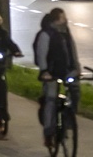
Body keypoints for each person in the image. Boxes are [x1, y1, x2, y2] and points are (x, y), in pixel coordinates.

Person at [34, 8, 81, 149]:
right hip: (51, 73)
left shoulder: (66, 32)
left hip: (67, 71)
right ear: (56, 19)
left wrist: (76, 69)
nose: (65, 19)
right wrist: (44, 71)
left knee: (75, 91)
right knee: (51, 99)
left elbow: (72, 51)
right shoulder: (46, 34)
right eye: (62, 17)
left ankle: (67, 120)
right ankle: (48, 132)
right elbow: (42, 54)